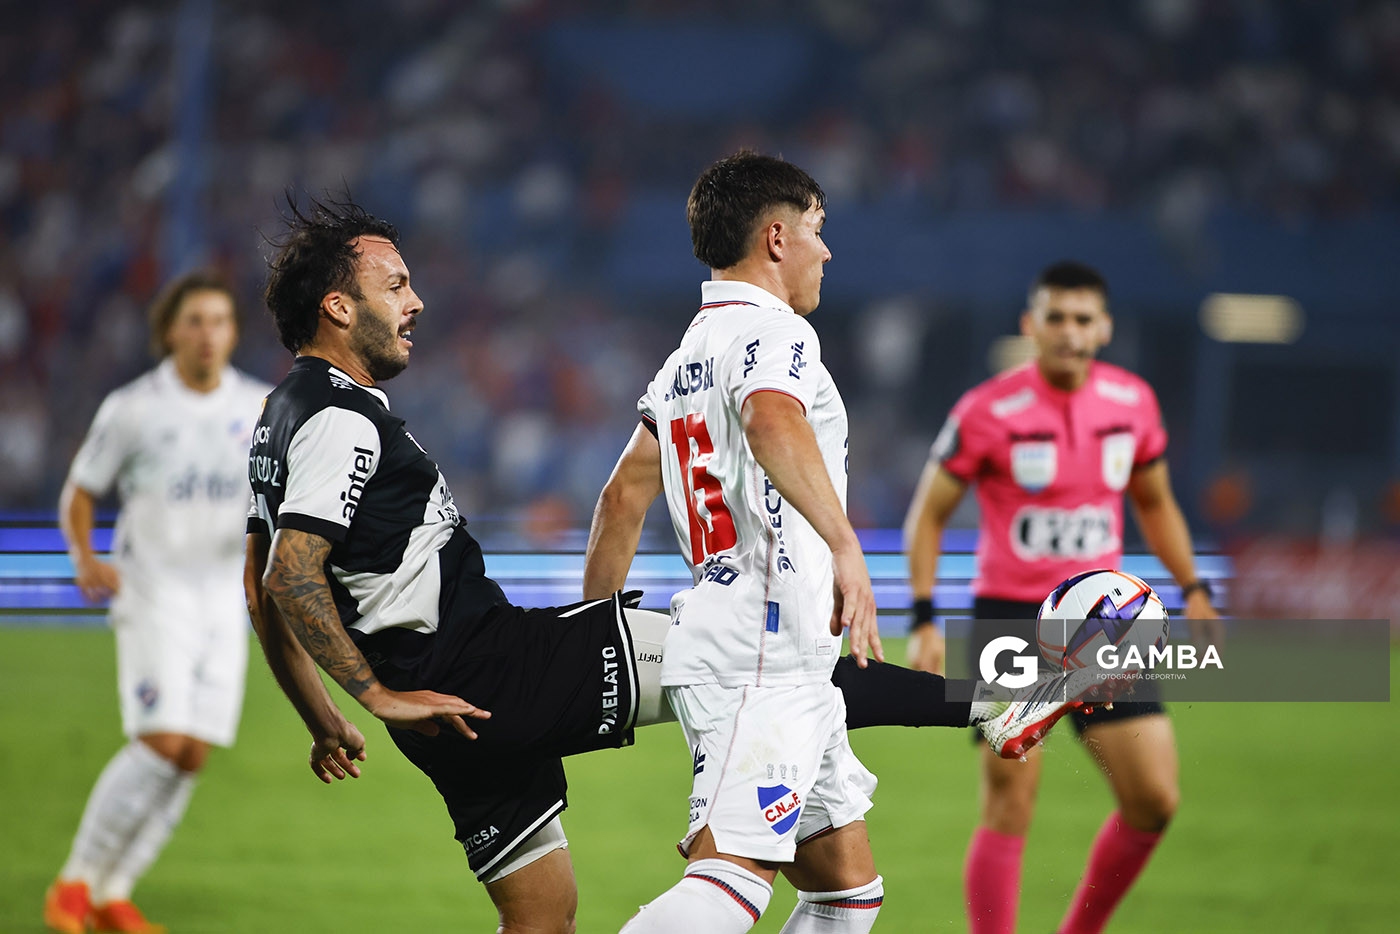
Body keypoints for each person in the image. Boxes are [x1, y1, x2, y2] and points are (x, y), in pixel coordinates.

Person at [242, 195, 1093, 934]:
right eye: (395, 287)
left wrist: (325, 714)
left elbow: (258, 585)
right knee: (760, 664)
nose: (416, 300)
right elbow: (288, 574)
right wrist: (374, 694)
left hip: (445, 715)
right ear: (338, 309)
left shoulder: (278, 421)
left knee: (558, 916)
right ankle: (996, 701)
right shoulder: (341, 421)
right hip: (479, 670)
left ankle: (996, 701)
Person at [579, 151, 1089, 934]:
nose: (828, 251)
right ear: (777, 237)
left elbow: (621, 500)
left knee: (846, 895)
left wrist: (595, 642)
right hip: (760, 651)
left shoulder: (684, 361)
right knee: (728, 884)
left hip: (771, 654)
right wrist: (846, 548)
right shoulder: (775, 335)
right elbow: (771, 419)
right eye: (819, 231)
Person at [902, 260, 1224, 934]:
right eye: (1056, 318)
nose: (1070, 333)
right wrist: (926, 615)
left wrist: (1194, 587)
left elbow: (1156, 503)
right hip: (1011, 623)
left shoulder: (1134, 403)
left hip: (1103, 626)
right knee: (1010, 804)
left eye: (1083, 319)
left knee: (1154, 801)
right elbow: (926, 515)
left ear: (1104, 328)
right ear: (1031, 325)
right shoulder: (986, 410)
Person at [44, 273, 273, 934]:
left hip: (221, 598)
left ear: (233, 332)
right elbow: (79, 492)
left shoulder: (260, 408)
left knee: (193, 754)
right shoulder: (135, 408)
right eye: (195, 321)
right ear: (170, 330)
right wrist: (86, 559)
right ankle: (74, 883)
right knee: (161, 741)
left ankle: (115, 891)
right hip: (153, 592)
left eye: (220, 321)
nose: (208, 334)